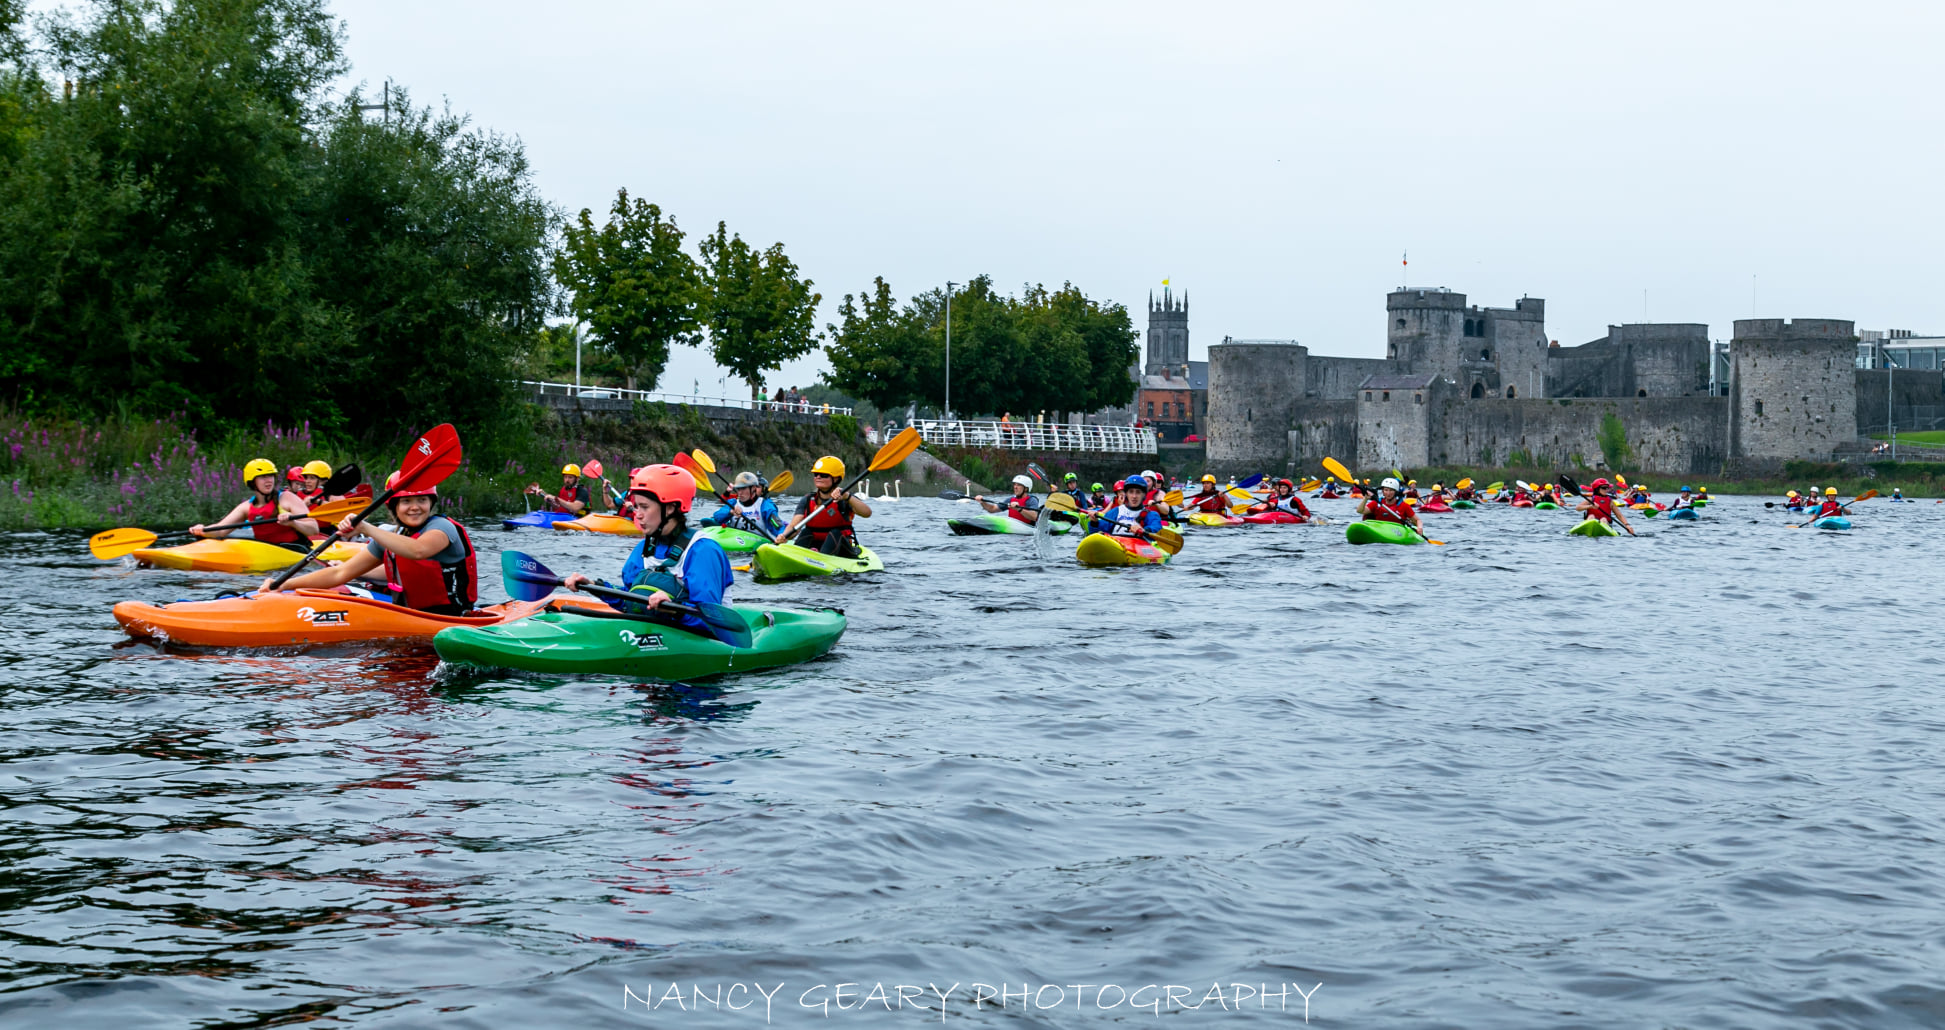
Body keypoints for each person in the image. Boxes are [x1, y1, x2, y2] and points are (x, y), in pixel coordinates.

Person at [261, 470, 476, 614]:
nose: (415, 507)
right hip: (411, 616)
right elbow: (340, 573)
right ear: (394, 506)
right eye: (406, 501)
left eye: (422, 500)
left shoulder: (441, 528)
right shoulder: (391, 537)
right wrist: (284, 585)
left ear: (431, 503)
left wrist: (364, 527)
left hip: (453, 618)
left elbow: (418, 550)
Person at [561, 464, 735, 642]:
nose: (638, 515)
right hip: (656, 635)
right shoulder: (644, 548)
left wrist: (675, 609)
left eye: (645, 507)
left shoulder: (703, 551)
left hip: (705, 642)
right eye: (636, 507)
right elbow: (631, 601)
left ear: (670, 508)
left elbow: (713, 621)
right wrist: (593, 586)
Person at [193, 458, 319, 551]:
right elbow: (220, 530)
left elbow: (314, 529)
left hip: (294, 549)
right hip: (265, 551)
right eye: (263, 477)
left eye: (271, 476)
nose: (269, 480)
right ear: (252, 482)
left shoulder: (287, 498)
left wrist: (293, 522)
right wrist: (202, 530)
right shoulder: (246, 507)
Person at [781, 455, 871, 556]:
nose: (818, 477)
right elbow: (794, 526)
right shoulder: (807, 500)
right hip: (816, 544)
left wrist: (847, 496)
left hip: (841, 548)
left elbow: (867, 513)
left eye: (823, 475)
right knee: (806, 531)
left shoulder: (844, 498)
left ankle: (822, 558)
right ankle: (798, 557)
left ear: (836, 478)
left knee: (836, 533)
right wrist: (784, 536)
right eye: (816, 474)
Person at [699, 471, 785, 538]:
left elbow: (778, 526)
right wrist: (730, 512)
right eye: (738, 489)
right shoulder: (733, 503)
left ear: (753, 488)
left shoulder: (765, 506)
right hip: (735, 539)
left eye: (743, 489)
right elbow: (717, 517)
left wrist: (781, 535)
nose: (739, 493)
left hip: (757, 542)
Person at [1088, 475, 1164, 538]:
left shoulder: (1150, 515)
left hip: (1138, 546)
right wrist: (1094, 522)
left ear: (1144, 495)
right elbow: (1098, 531)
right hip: (1116, 545)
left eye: (1138, 492)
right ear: (1126, 494)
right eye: (1131, 492)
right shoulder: (1115, 512)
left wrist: (1144, 530)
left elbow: (1156, 527)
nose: (1134, 496)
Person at [1356, 477, 1423, 535]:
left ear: (1395, 492)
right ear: (1383, 491)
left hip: (1397, 531)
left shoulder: (1404, 506)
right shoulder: (1377, 503)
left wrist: (1419, 528)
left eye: (1391, 490)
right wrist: (1365, 498)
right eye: (1386, 490)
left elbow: (1418, 520)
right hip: (1379, 529)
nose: (1388, 493)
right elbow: (1359, 511)